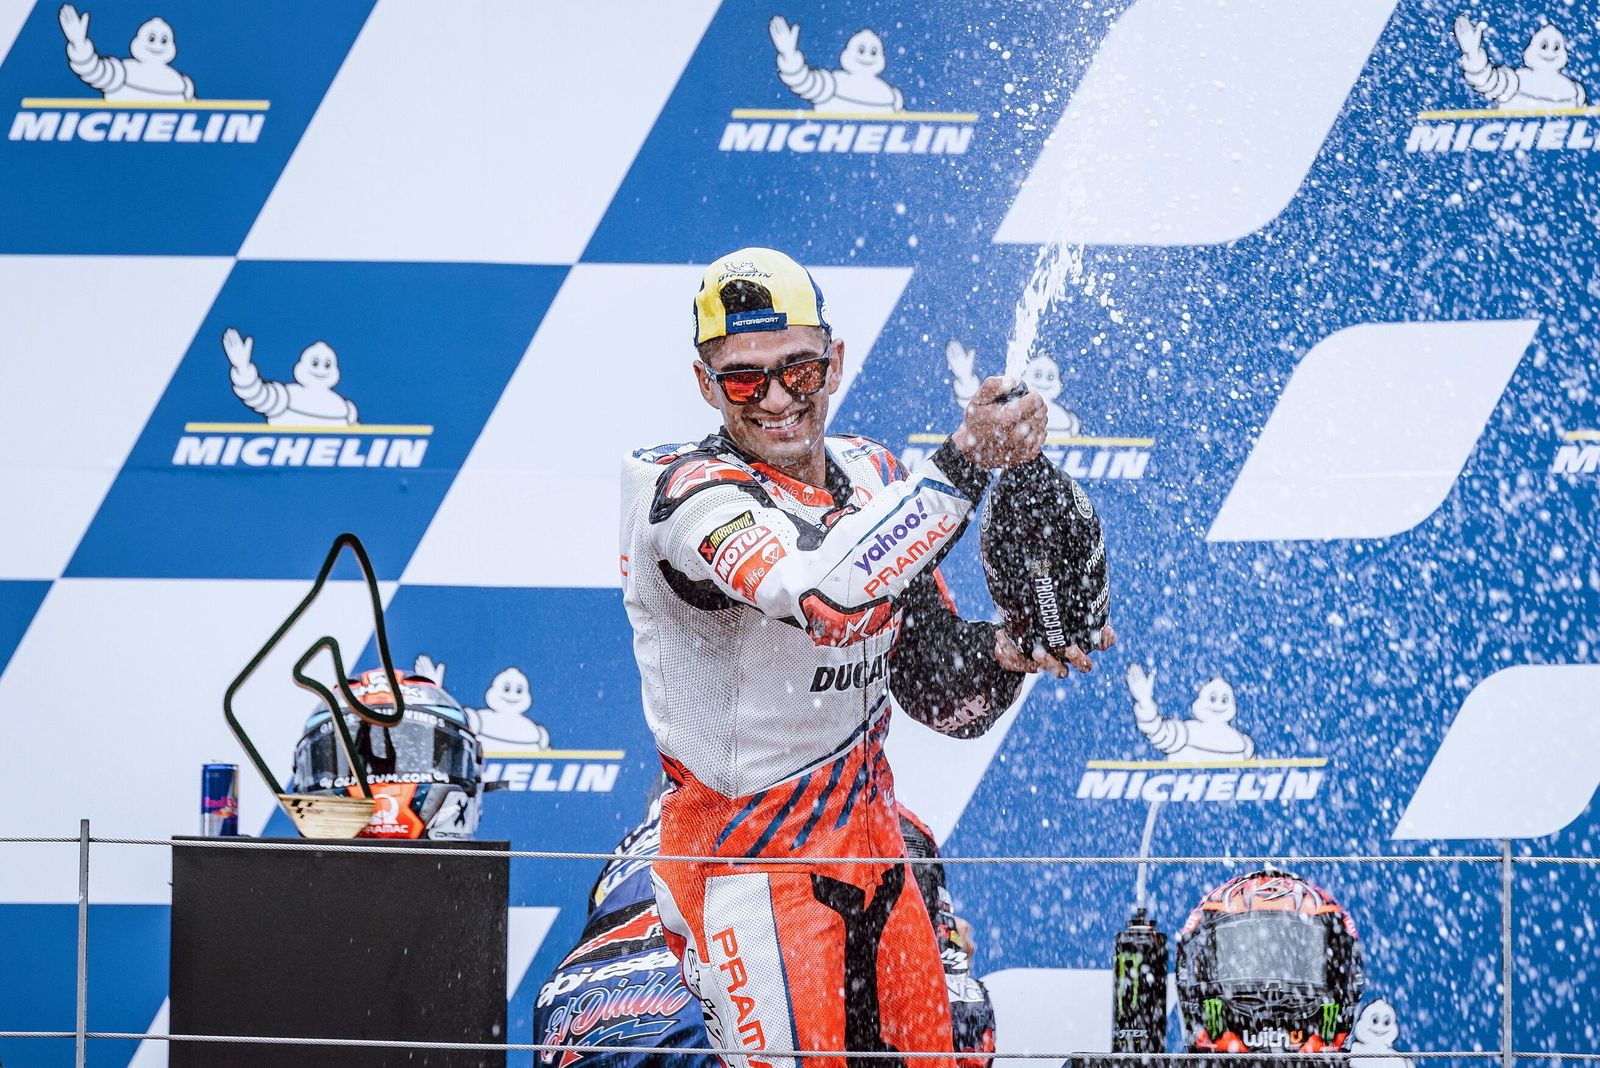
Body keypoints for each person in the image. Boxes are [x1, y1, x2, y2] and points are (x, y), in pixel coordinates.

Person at [618, 247, 1114, 1067]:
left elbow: (942, 693)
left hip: (875, 845)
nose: (778, 398)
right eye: (745, 380)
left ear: (835, 363)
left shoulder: (875, 475)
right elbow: (825, 597)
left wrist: (1014, 646)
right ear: (707, 385)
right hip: (749, 870)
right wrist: (964, 463)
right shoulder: (679, 493)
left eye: (799, 371)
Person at [532, 790, 996, 1067]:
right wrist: (946, 943)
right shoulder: (852, 806)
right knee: (956, 1004)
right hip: (714, 1004)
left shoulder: (635, 842)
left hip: (573, 1014)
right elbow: (927, 953)